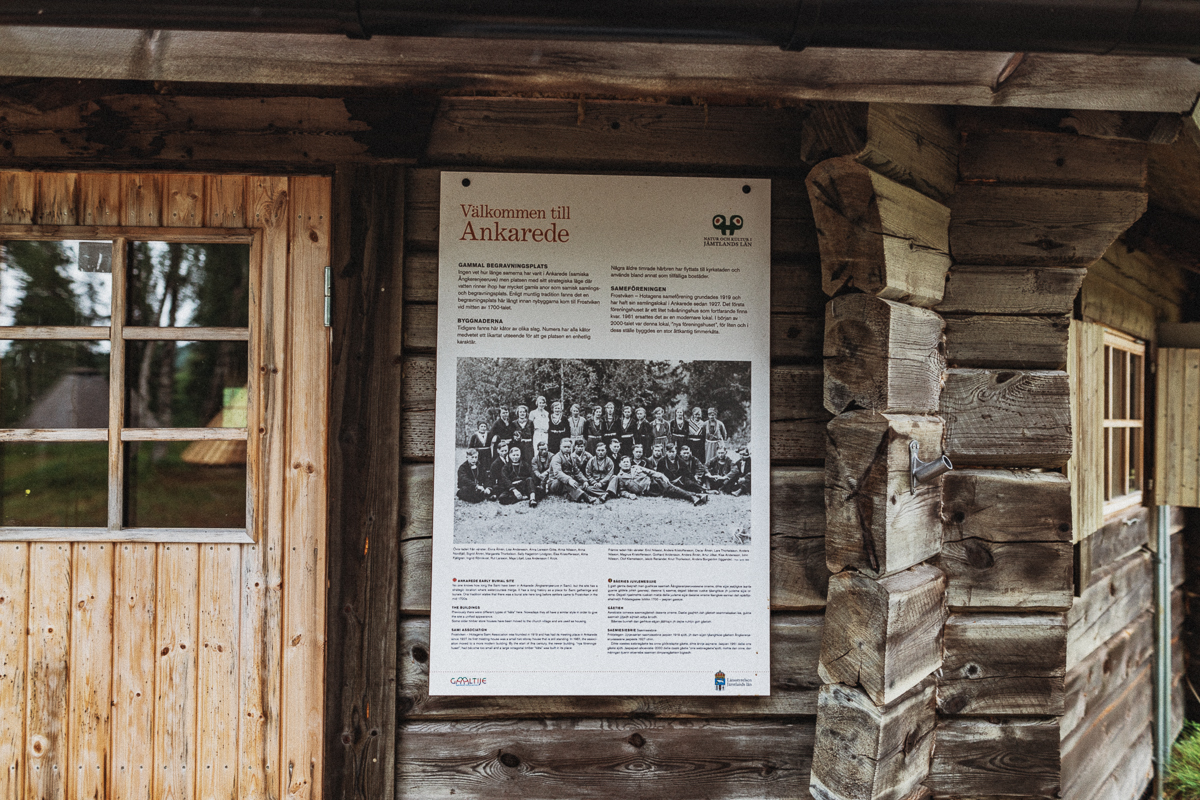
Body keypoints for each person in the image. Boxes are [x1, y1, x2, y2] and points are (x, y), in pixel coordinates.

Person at [620, 453, 708, 506]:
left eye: (627, 462)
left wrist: (662, 476)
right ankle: (697, 495)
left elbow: (651, 472)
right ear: (620, 464)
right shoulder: (620, 476)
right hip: (647, 491)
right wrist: (629, 495)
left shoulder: (636, 467)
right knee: (671, 492)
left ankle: (692, 497)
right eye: (624, 462)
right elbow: (621, 490)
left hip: (653, 482)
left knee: (671, 489)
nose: (626, 464)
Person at [546, 437, 601, 505]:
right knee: (566, 482)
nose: (567, 449)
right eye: (565, 447)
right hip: (555, 483)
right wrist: (569, 480)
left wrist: (584, 480)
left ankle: (604, 494)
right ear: (560, 447)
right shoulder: (556, 458)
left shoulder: (571, 457)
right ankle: (586, 497)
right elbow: (558, 473)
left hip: (567, 483)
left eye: (569, 447)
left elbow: (576, 471)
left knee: (583, 485)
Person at [498, 443, 540, 507]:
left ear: (520, 455)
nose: (515, 457)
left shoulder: (525, 464)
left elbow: (532, 474)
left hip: (525, 485)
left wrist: (533, 483)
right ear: (509, 455)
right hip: (514, 487)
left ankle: (532, 499)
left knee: (531, 481)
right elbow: (505, 479)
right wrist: (514, 490)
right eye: (513, 455)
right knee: (502, 498)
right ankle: (521, 497)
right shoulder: (506, 467)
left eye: (517, 455)